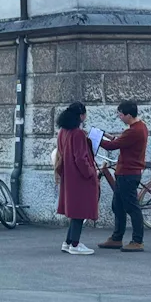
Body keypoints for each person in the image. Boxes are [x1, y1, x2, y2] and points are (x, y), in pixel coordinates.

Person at [97, 100, 149, 252]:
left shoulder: (134, 131)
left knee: (132, 207)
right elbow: (119, 140)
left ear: (128, 115)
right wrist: (103, 134)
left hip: (128, 173)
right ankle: (116, 238)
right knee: (118, 206)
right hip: (125, 173)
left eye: (120, 114)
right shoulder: (140, 127)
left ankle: (137, 240)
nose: (119, 117)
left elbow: (112, 145)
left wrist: (94, 139)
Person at [54, 102, 98, 255]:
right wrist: (90, 172)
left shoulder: (63, 132)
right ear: (81, 115)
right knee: (80, 209)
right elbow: (80, 158)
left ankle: (68, 241)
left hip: (68, 175)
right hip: (79, 177)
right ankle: (75, 244)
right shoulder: (77, 133)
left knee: (74, 210)